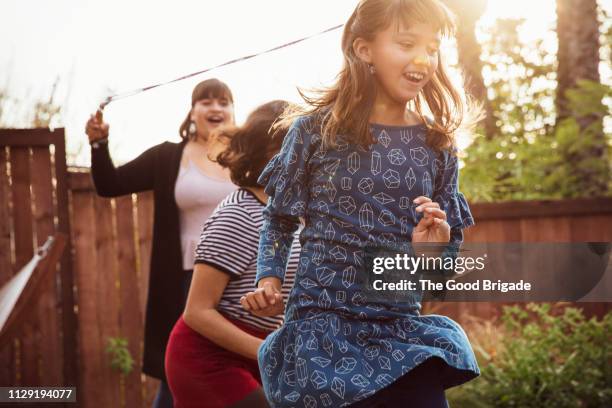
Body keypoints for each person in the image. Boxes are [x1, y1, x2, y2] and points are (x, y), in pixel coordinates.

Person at [241, 0, 482, 407]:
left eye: (432, 47)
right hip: (322, 334)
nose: (423, 58)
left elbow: (437, 284)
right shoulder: (314, 132)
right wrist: (270, 279)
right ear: (363, 49)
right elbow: (279, 220)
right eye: (407, 43)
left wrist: (433, 253)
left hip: (400, 331)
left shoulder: (438, 146)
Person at [85, 78, 238, 408]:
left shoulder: (246, 157)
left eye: (223, 102)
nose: (215, 108)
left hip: (244, 283)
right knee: (178, 373)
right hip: (187, 282)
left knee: (237, 372)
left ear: (233, 112)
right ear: (192, 112)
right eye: (206, 101)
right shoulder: (168, 157)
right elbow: (110, 184)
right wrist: (99, 144)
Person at [164, 100, 300, 408]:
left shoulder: (293, 217)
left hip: (257, 355)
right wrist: (268, 349)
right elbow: (197, 312)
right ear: (271, 152)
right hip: (207, 359)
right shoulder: (239, 213)